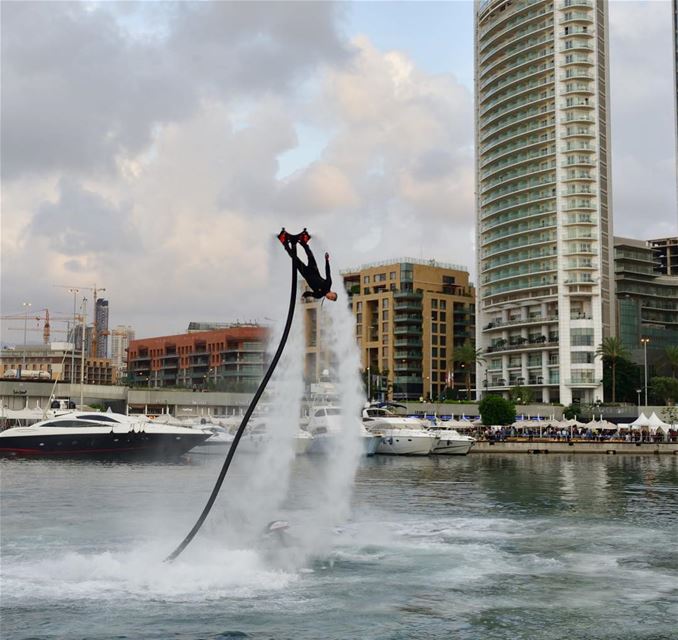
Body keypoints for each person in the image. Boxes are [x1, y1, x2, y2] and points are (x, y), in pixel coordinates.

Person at [278, 228, 338, 301]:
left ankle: (284, 243)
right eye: (332, 296)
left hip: (306, 273)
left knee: (295, 258)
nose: (330, 298)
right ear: (332, 292)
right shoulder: (328, 284)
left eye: (331, 299)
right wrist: (327, 260)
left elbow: (307, 293)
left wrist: (303, 297)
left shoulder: (318, 295)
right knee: (310, 255)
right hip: (314, 269)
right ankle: (303, 242)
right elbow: (328, 272)